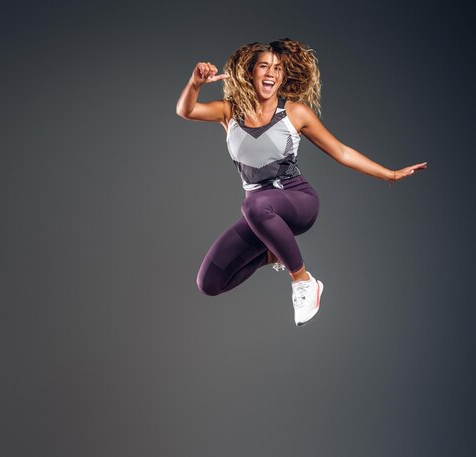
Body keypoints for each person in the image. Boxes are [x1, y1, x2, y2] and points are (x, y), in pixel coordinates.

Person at [176, 38, 427, 326]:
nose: (271, 73)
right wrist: (195, 83)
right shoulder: (230, 111)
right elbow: (186, 110)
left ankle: (303, 280)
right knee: (209, 282)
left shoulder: (295, 113)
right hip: (259, 213)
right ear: (251, 72)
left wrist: (390, 174)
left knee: (255, 205)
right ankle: (273, 252)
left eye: (278, 68)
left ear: (283, 76)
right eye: (264, 66)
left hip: (298, 202)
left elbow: (342, 152)